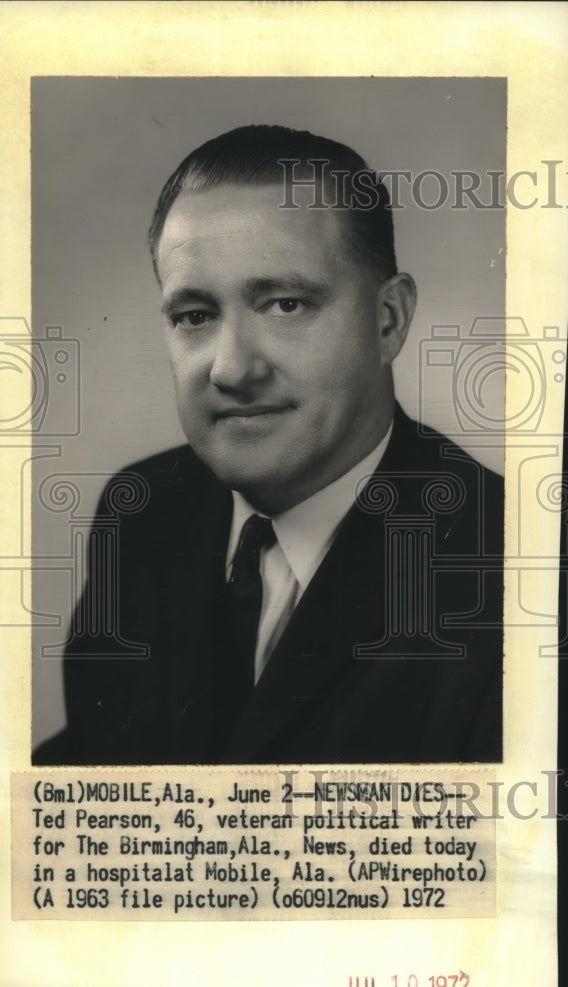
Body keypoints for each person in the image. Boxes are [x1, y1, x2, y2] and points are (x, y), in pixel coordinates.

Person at [33, 124, 503, 766]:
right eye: (194, 316)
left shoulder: (512, 571)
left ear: (386, 321)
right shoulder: (141, 511)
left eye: (284, 304)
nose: (231, 369)